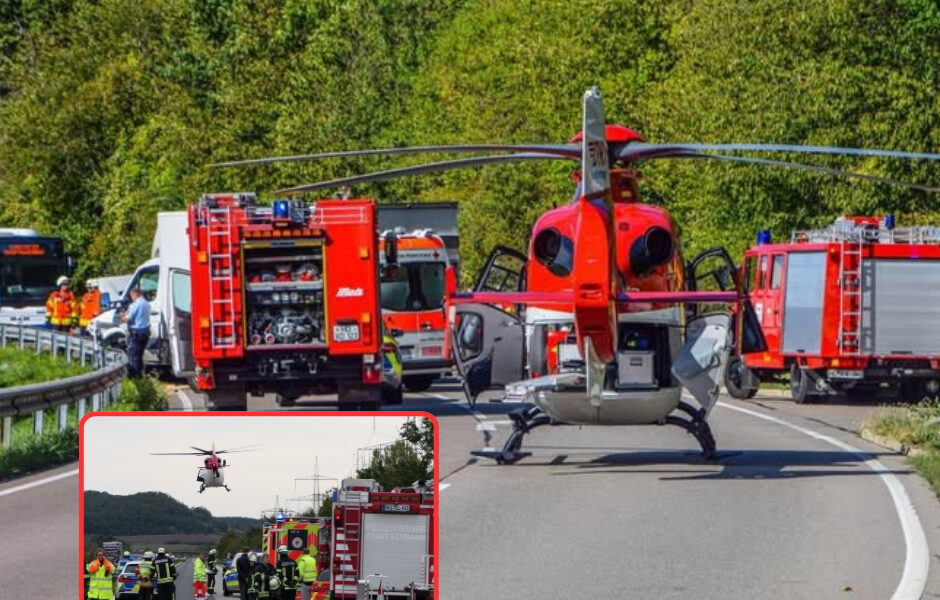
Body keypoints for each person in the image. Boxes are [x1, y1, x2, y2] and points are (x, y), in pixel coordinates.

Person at [121, 285, 150, 377]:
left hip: (136, 333)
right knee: (140, 355)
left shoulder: (135, 305)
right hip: (145, 332)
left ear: (135, 294)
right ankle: (140, 376)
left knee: (134, 356)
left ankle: (135, 377)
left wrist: (122, 316)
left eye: (131, 296)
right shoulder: (146, 303)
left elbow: (128, 319)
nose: (131, 298)